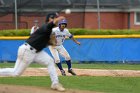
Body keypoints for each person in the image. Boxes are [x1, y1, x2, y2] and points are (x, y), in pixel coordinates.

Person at [0, 12, 65, 92]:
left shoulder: (48, 31)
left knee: (50, 61)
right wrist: (59, 18)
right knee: (16, 73)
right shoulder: (46, 26)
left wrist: (52, 42)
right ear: (50, 19)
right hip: (27, 51)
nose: (57, 21)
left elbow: (49, 43)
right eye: (55, 18)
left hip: (36, 52)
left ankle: (55, 84)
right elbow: (51, 23)